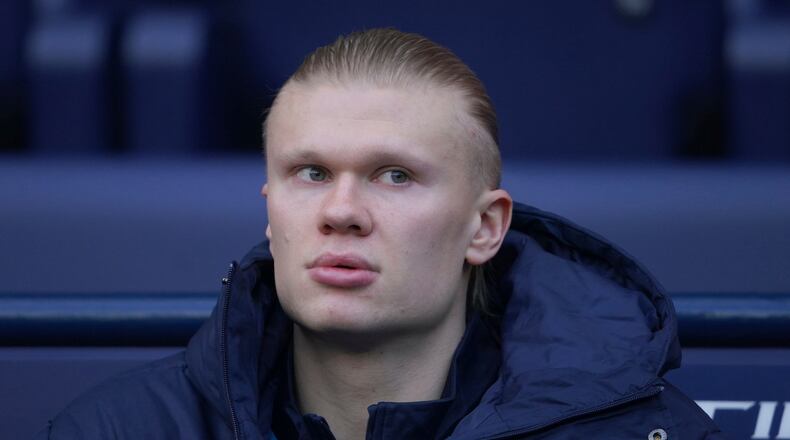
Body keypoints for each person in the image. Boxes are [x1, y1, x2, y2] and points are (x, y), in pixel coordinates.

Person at [39, 28, 723, 439]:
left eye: (393, 176)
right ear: (270, 209)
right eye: (310, 173)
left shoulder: (648, 434)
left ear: (485, 228)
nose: (341, 210)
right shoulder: (120, 429)